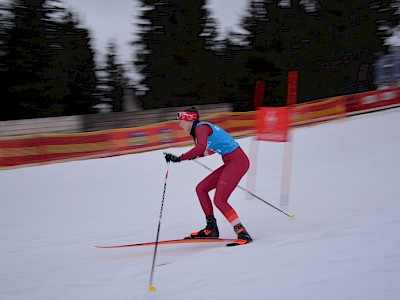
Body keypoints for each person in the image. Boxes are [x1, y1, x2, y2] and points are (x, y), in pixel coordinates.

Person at [164, 106, 252, 245]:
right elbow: (209, 150)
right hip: (231, 162)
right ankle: (211, 228)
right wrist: (193, 156)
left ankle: (242, 233)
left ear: (189, 119)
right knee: (201, 188)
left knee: (220, 200)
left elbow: (200, 147)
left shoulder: (201, 128)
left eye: (181, 121)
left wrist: (181, 158)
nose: (180, 125)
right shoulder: (201, 129)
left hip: (238, 162)